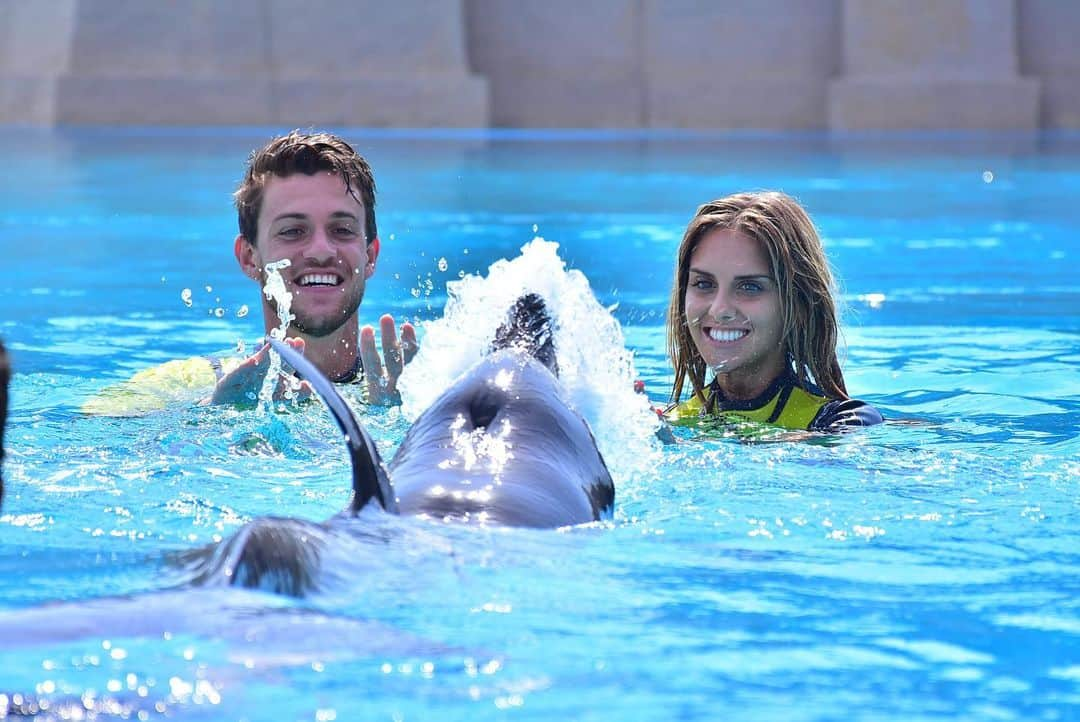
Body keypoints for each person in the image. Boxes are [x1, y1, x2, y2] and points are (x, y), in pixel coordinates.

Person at [83, 131, 416, 415]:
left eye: (342, 230)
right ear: (249, 258)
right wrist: (216, 417)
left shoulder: (423, 384)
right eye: (292, 231)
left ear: (370, 256)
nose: (321, 251)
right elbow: (87, 443)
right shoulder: (182, 384)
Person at [663, 191, 882, 433]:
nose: (719, 309)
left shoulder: (845, 423)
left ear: (799, 304)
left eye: (749, 287)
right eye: (703, 284)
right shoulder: (672, 422)